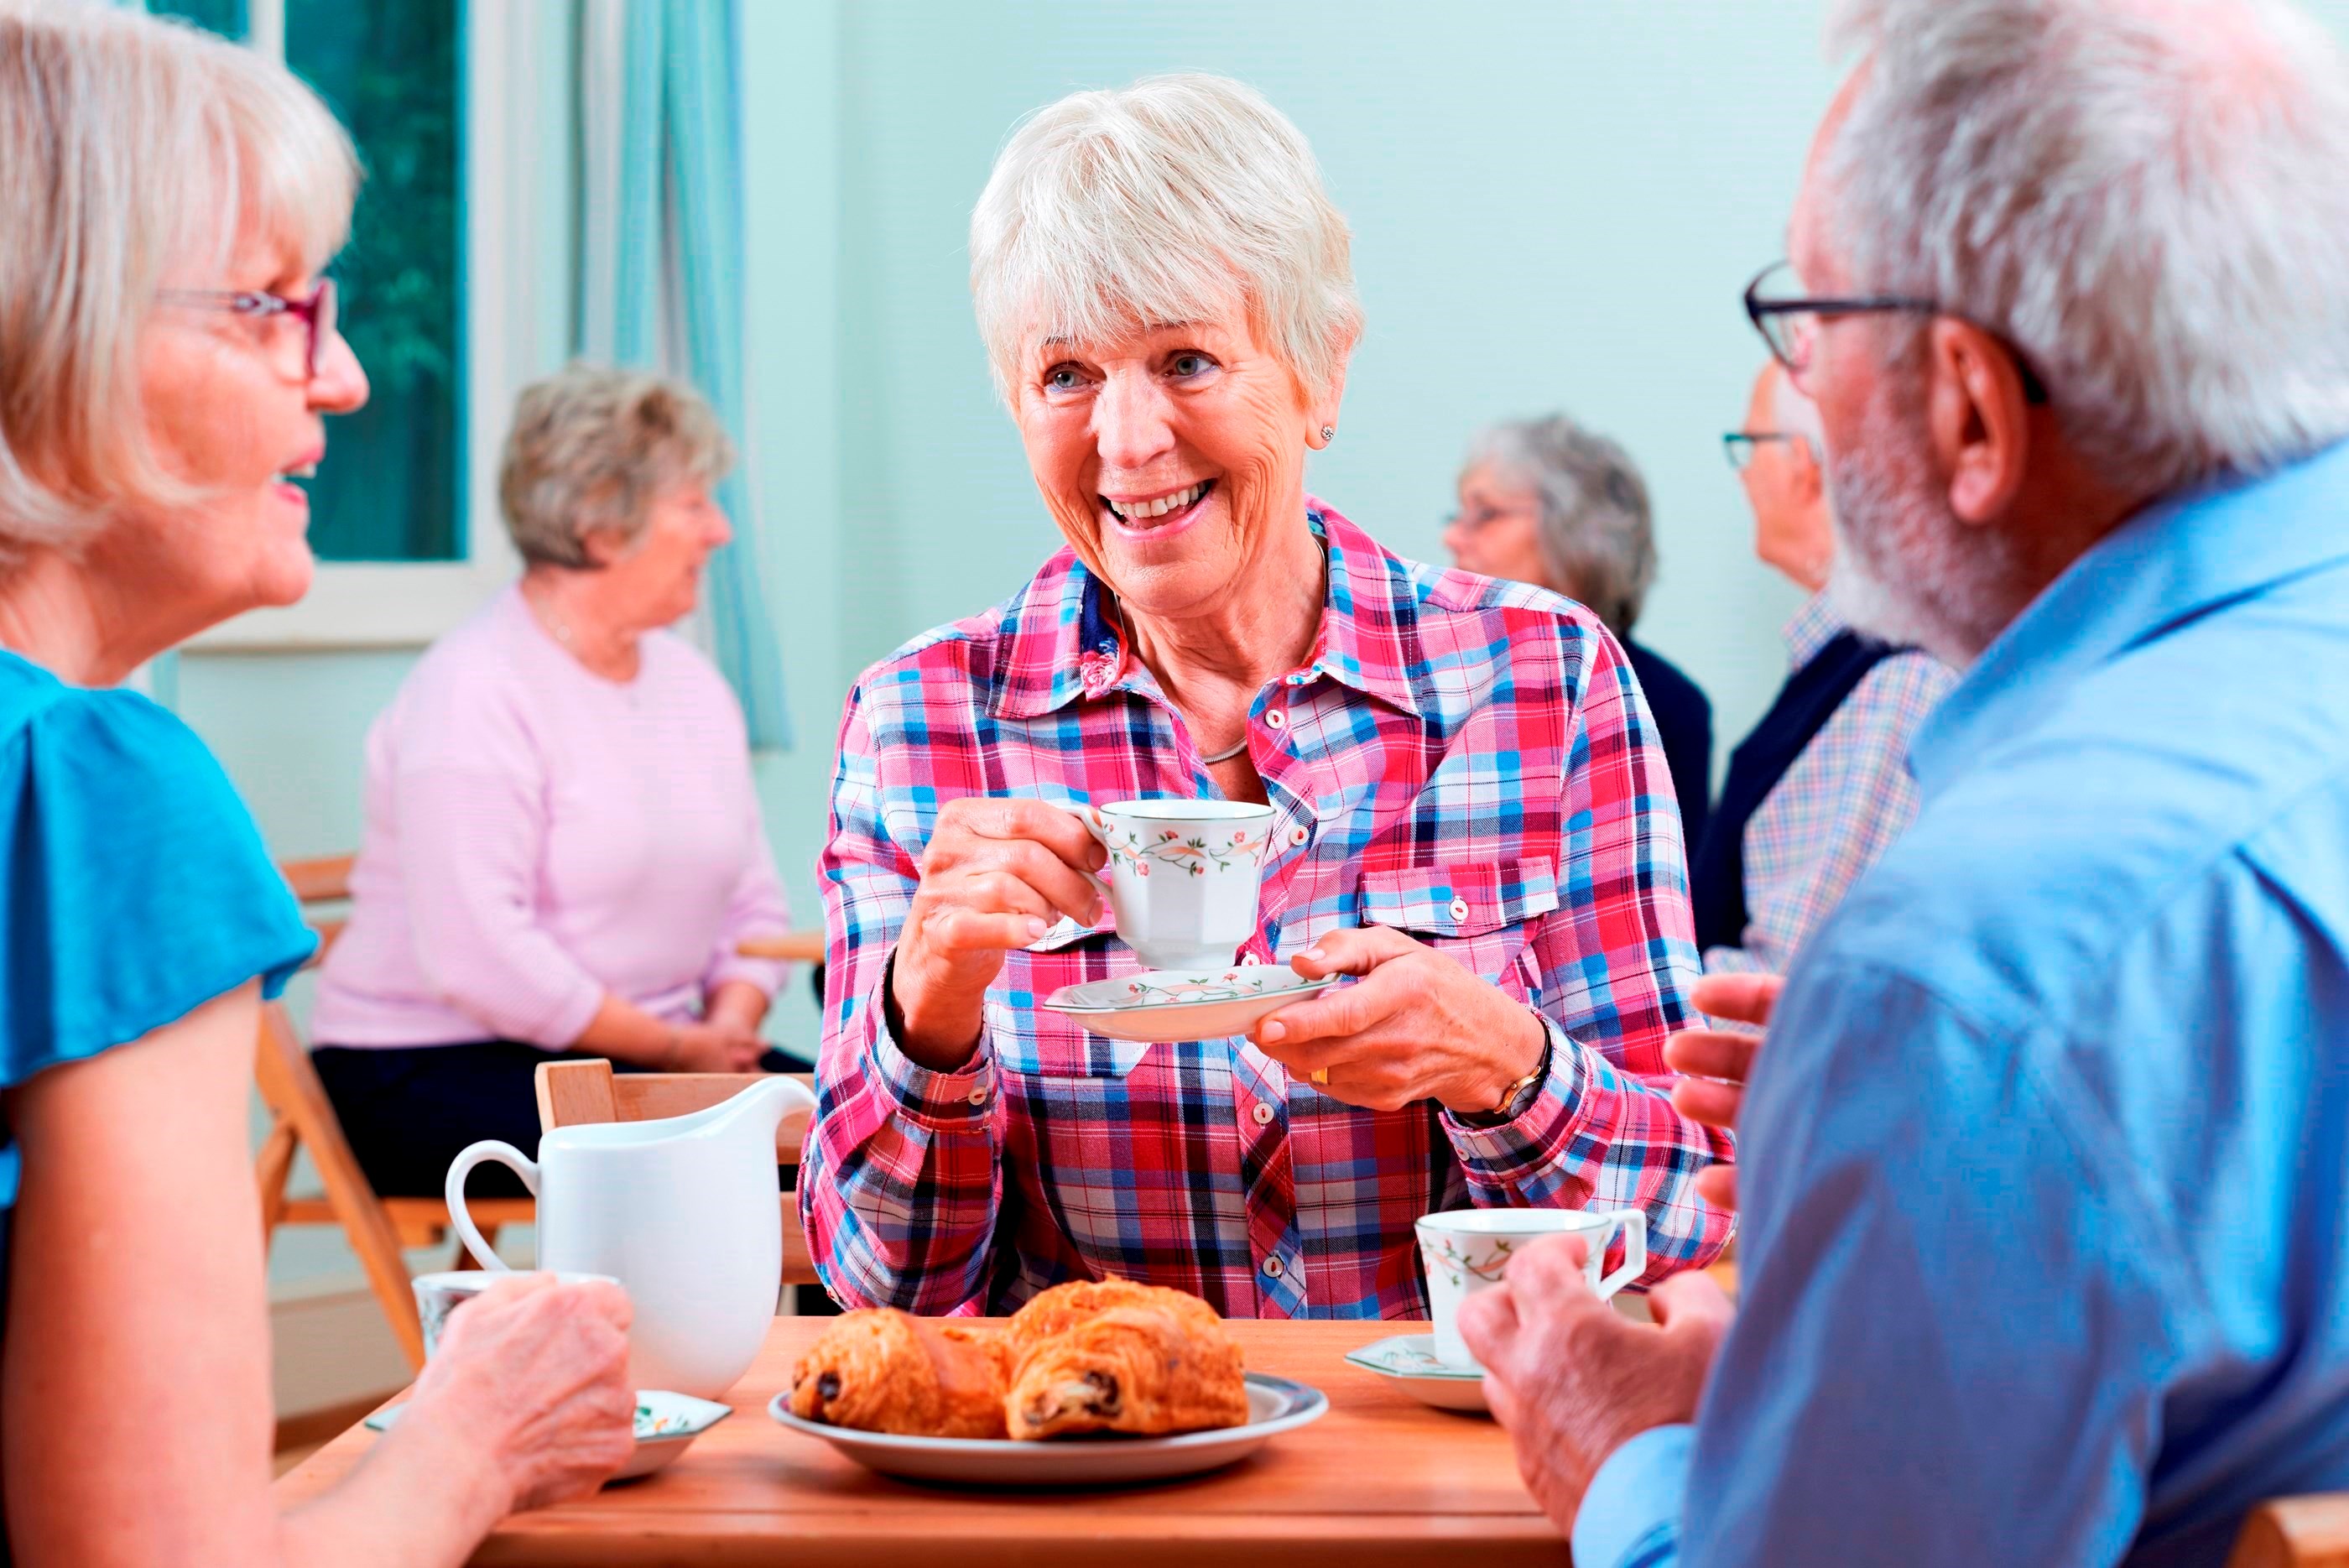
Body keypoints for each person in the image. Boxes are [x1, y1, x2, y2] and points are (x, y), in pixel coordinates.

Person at [1461, 0, 2349, 1563]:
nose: (1795, 384)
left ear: (1969, 408)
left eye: (1808, 315)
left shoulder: (1975, 978)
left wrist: (1618, 1449)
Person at [799, 74, 1731, 1321]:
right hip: (1089, 1481)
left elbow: (1684, 1214)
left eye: (1186, 359)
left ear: (1318, 372)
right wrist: (926, 1022)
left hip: (1458, 1493)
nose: (1126, 441)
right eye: (1066, 375)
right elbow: (883, 1286)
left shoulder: (1545, 683)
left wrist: (1506, 1067)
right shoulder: (919, 724)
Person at [0, 7, 634, 1561]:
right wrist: (474, 1432)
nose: (344, 376)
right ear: (53, 332)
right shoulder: (92, 790)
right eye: (273, 306)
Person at [311, 363, 794, 1199]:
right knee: (712, 1147)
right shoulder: (471, 690)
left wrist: (727, 1023)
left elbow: (752, 908)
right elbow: (479, 958)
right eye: (692, 505)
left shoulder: (692, 686)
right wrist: (679, 1055)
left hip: (644, 1051)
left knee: (862, 1126)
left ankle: (857, 1340)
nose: (719, 531)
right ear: (602, 527)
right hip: (426, 1064)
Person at [1692, 364, 1954, 977]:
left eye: (1749, 446)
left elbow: (1791, 985)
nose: (1744, 473)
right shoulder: (1849, 662)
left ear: (1804, 464)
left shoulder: (1899, 680)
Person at [1449, 416, 1715, 847]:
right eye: (1456, 514)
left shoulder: (1665, 708)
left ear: (1576, 536)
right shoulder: (1434, 681)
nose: (1453, 537)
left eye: (1485, 514)